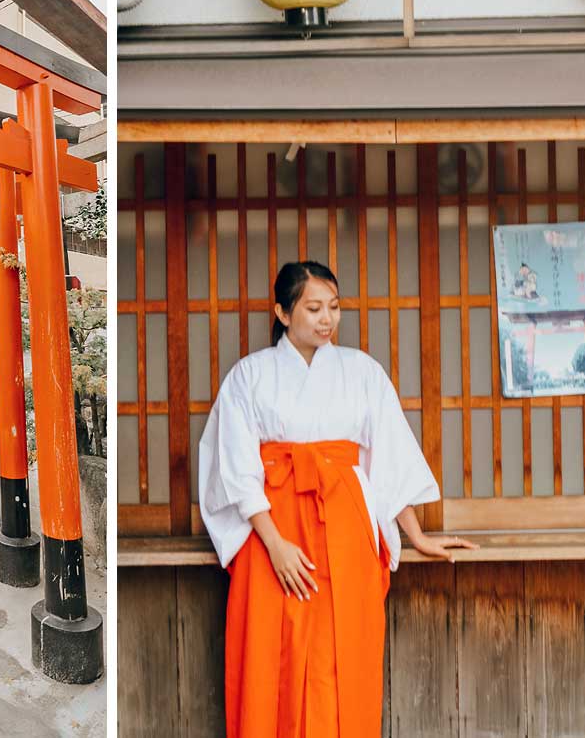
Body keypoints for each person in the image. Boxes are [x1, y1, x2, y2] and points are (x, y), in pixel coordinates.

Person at [198, 260, 475, 738]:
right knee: (272, 660)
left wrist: (417, 535)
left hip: (346, 532)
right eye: (313, 308)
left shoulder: (362, 372)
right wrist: (275, 546)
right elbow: (236, 468)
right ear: (283, 313)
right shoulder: (250, 376)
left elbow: (385, 460)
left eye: (334, 307)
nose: (326, 319)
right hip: (272, 533)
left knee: (341, 657)